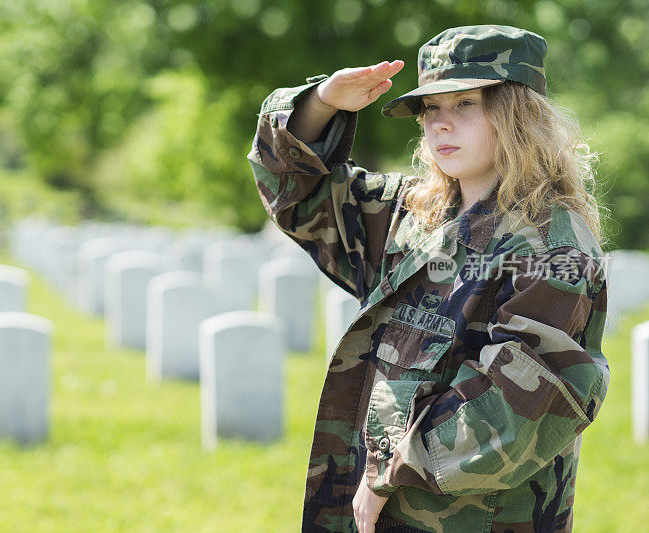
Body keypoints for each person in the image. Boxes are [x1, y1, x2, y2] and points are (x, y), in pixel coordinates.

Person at [246, 25, 610, 533]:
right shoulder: (415, 211)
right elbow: (300, 193)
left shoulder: (551, 246)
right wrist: (323, 101)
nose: (441, 125)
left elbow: (521, 405)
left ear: (517, 115)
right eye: (430, 109)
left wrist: (388, 477)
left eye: (465, 104)